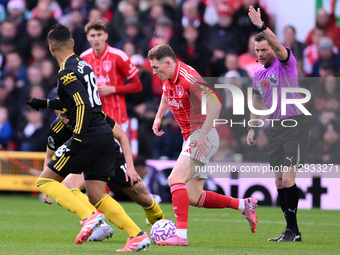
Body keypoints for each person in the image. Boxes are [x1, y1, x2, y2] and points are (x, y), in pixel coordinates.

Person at [26, 24, 150, 251]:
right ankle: (137, 235)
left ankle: (88, 218)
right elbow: (77, 101)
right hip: (103, 132)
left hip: (88, 134)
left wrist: (80, 137)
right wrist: (43, 104)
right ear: (73, 43)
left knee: (44, 181)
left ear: (50, 47)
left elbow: (82, 103)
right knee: (95, 194)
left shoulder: (65, 72)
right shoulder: (84, 65)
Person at [148, 44, 258, 246]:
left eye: (156, 67)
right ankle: (244, 204)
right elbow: (166, 92)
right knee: (193, 196)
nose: (154, 72)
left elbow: (215, 103)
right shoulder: (168, 77)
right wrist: (158, 117)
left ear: (168, 62)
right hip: (191, 135)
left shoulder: (189, 77)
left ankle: (180, 236)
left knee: (175, 178)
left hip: (202, 135)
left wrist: (203, 135)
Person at [42, 109, 164, 241]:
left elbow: (122, 136)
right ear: (57, 113)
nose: (67, 119)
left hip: (111, 157)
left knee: (144, 199)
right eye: (63, 115)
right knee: (69, 185)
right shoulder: (57, 129)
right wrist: (49, 186)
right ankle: (98, 224)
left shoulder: (92, 115)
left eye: (69, 114)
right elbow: (49, 155)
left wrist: (130, 167)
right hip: (87, 163)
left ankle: (161, 225)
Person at [246, 6, 310, 242]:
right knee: (277, 181)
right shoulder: (258, 74)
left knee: (287, 179)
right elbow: (256, 100)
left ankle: (294, 231)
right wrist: (253, 126)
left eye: (264, 49)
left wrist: (262, 26)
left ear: (273, 48)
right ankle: (290, 231)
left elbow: (278, 45)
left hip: (294, 125)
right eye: (257, 50)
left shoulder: (285, 62)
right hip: (274, 127)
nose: (260, 53)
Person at [80, 19, 142, 132]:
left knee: (112, 150)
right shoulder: (83, 58)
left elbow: (137, 86)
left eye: (99, 35)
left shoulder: (119, 56)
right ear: (88, 37)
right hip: (92, 118)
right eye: (93, 35)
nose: (96, 39)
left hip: (116, 117)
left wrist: (112, 89)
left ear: (106, 36)